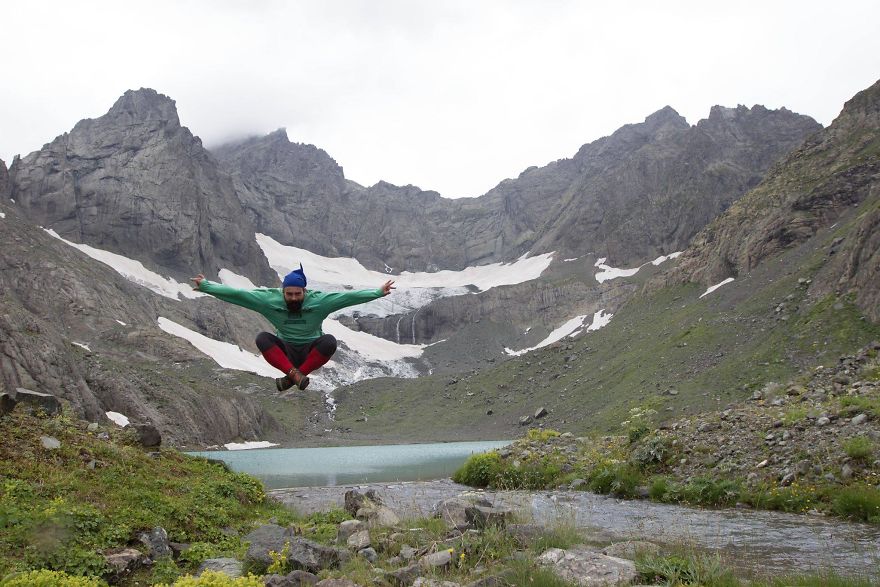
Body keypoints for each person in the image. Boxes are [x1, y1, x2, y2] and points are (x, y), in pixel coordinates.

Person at [190, 265, 394, 391]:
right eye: (289, 294)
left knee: (330, 341)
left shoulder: (320, 301)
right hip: (285, 352)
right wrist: (207, 286)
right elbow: (239, 295)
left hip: (310, 352)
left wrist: (377, 292)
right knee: (262, 337)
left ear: (305, 291)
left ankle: (292, 378)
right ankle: (294, 375)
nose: (294, 298)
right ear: (283, 292)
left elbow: (348, 298)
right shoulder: (268, 300)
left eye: (298, 294)